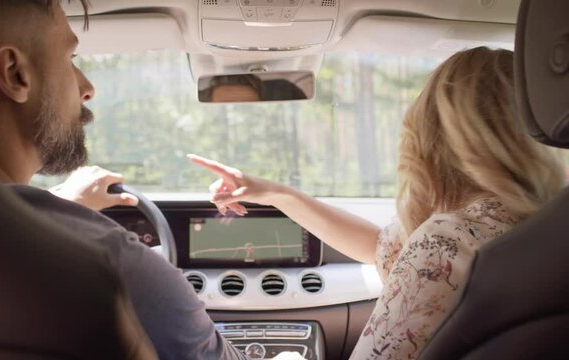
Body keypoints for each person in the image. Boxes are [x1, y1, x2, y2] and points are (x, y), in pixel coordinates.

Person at [0, 1, 304, 359]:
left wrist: (59, 208)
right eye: (70, 59)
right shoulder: (109, 261)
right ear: (15, 73)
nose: (87, 87)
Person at [189, 47, 566, 359]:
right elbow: (380, 247)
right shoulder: (544, 227)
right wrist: (276, 194)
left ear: (434, 136)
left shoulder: (446, 241)